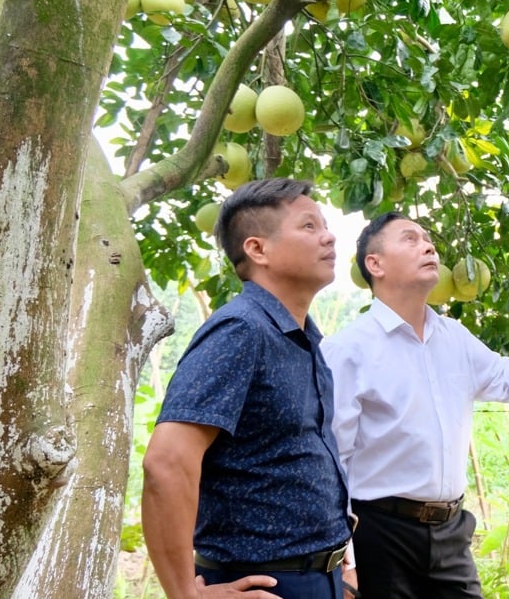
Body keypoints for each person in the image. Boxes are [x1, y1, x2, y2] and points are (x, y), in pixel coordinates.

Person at [323, 212, 509, 598]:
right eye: (410, 239)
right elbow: (334, 460)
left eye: (428, 238)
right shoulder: (348, 350)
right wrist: (346, 560)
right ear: (374, 263)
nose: (428, 246)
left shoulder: (454, 337)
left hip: (450, 530)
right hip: (380, 533)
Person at [142, 179, 357, 599]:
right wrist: (186, 594)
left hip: (320, 577)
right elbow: (166, 463)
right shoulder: (242, 331)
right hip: (263, 583)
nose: (328, 236)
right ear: (258, 250)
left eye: (326, 225)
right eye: (309, 226)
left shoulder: (304, 340)